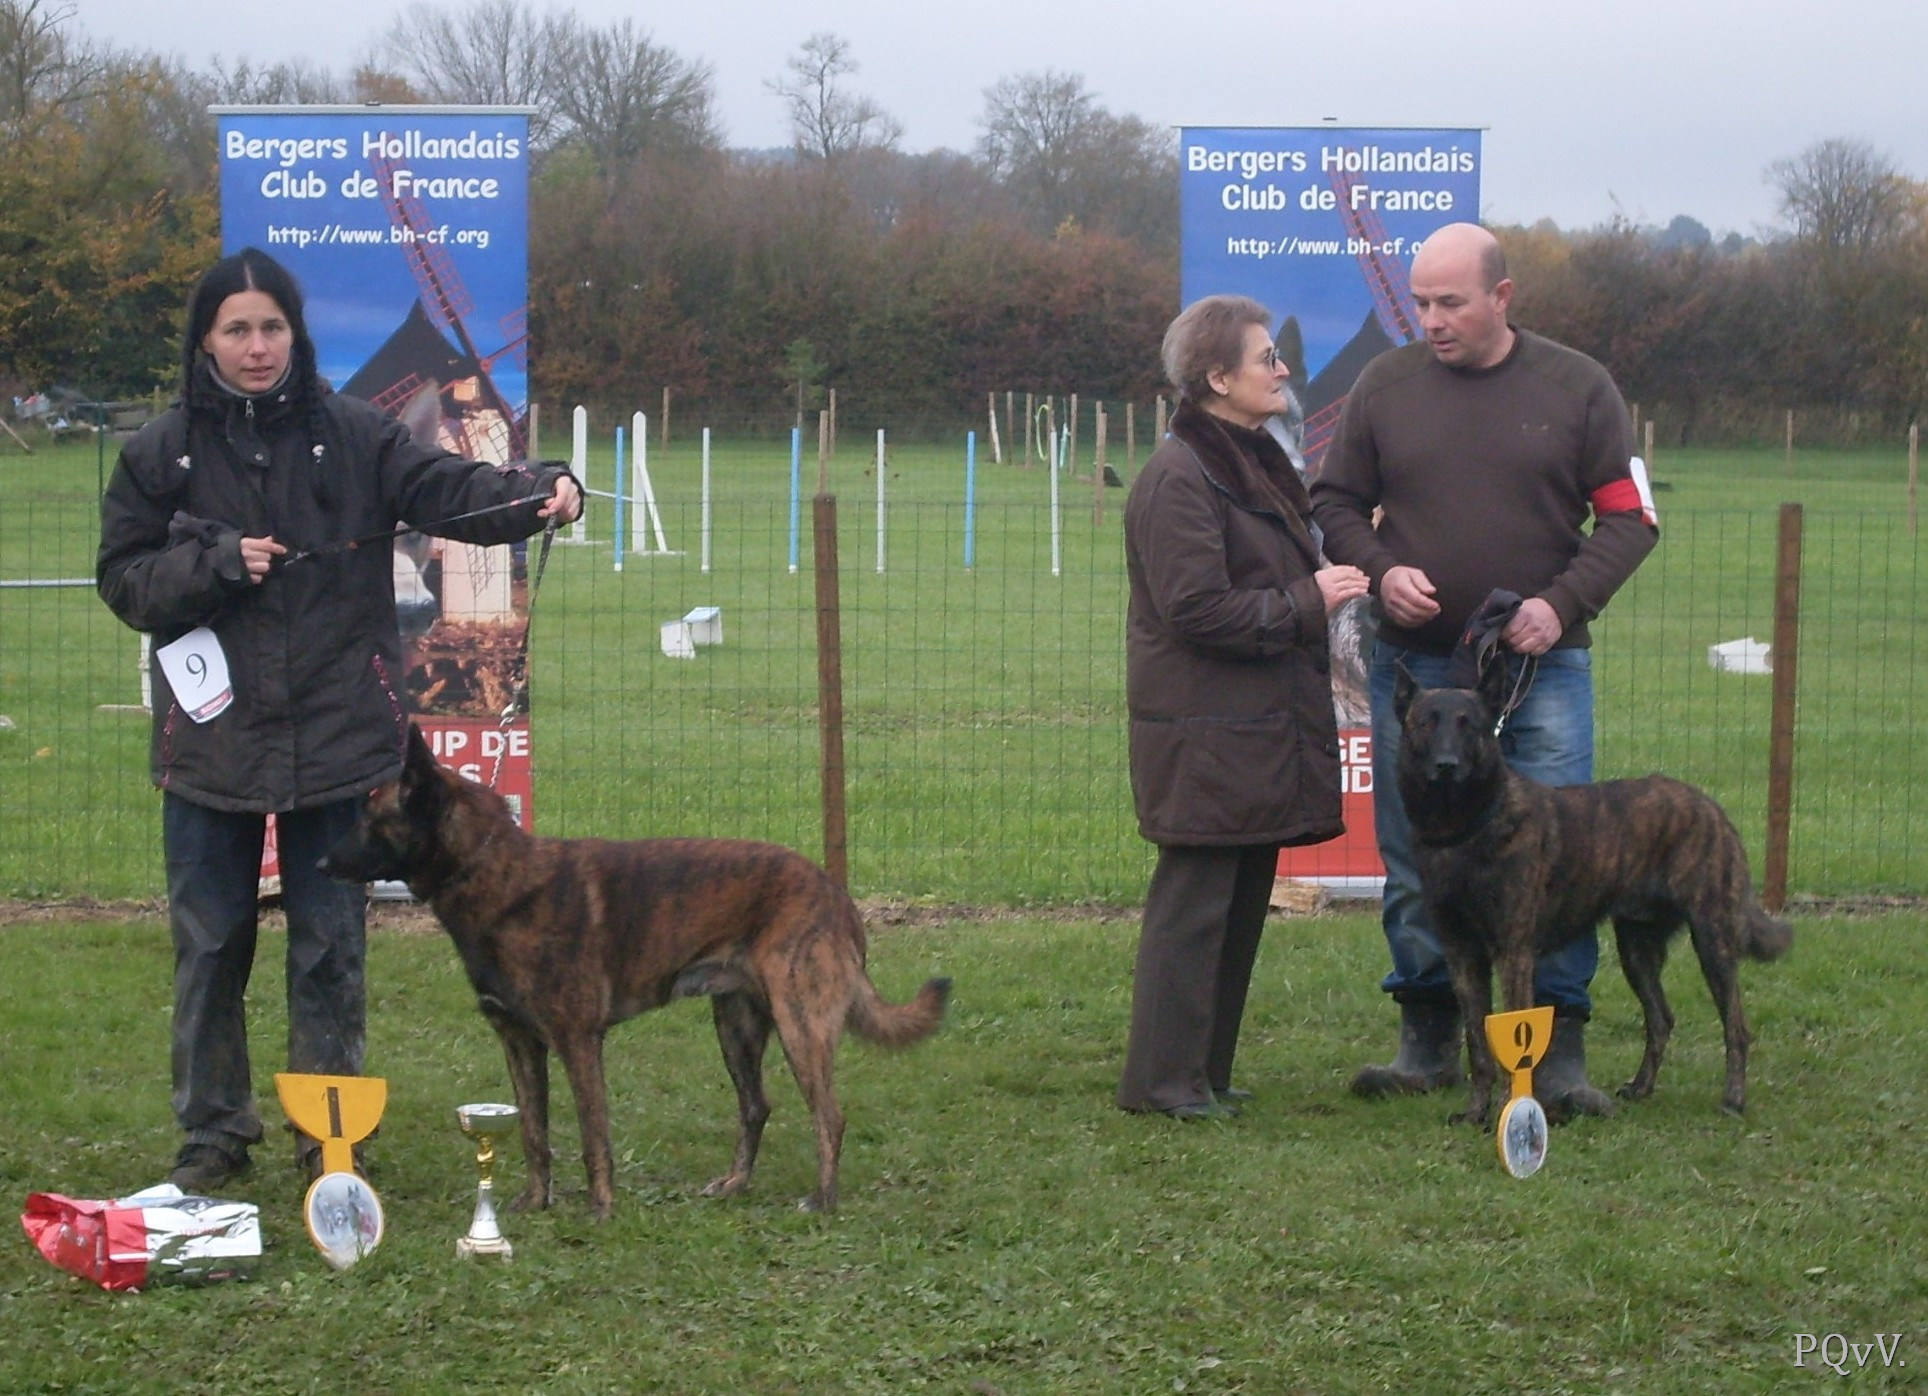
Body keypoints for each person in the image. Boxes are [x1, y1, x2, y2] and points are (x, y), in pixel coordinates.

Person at [97, 247, 583, 1191]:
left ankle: (330, 1133)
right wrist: (219, 564)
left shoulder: (355, 433)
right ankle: (213, 1136)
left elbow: (449, 489)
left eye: (271, 327)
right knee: (211, 948)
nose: (256, 347)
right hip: (211, 746)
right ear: (206, 338)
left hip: (340, 736)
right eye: (236, 329)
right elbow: (124, 579)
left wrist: (536, 491)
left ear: (295, 332)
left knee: (330, 947)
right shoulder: (162, 453)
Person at [1309, 222, 1658, 1119]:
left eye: (1450, 302)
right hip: (1420, 673)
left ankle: (1558, 1050)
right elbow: (1335, 502)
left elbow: (1629, 519)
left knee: (1566, 859)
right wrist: (1382, 572)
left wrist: (1562, 602)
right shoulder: (1384, 385)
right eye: (1420, 302)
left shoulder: (1579, 387)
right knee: (1414, 855)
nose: (1430, 319)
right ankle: (1426, 1033)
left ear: (1501, 298)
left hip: (1538, 673)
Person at [1117, 295, 1370, 1119]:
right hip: (1204, 731)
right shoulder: (1179, 478)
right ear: (1217, 378)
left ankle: (1202, 1074)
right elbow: (1195, 610)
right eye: (1266, 358)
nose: (1283, 370)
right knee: (1194, 907)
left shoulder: (1248, 460)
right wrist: (1308, 599)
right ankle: (1161, 1082)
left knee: (1235, 903)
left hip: (1248, 728)